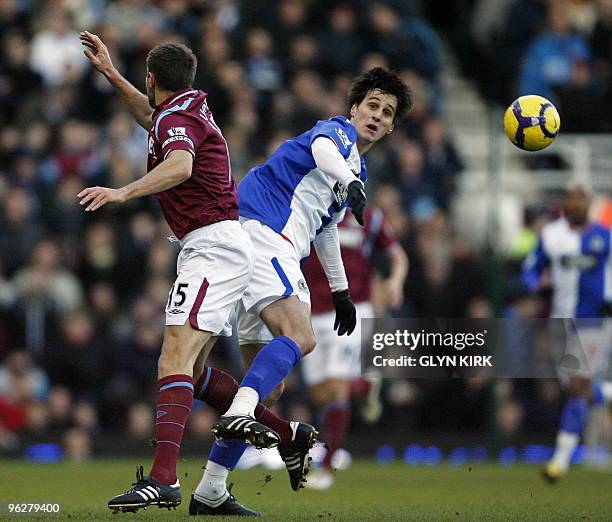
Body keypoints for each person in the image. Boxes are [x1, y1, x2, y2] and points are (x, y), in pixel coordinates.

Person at [206, 67, 412, 498]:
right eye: (371, 105)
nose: (377, 115)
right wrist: (350, 180)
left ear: (392, 126)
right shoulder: (335, 134)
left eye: (387, 112)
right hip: (264, 234)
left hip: (249, 244)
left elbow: (326, 229)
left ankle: (211, 489)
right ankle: (239, 410)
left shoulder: (353, 170)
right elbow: (321, 149)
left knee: (270, 386)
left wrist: (340, 292)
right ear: (353, 109)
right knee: (300, 336)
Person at [78, 32, 261, 514]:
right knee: (194, 370)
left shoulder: (177, 119)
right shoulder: (182, 110)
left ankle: (163, 480)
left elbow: (179, 166)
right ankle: (285, 434)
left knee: (172, 358)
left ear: (153, 77)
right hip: (218, 244)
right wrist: (112, 74)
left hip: (212, 247)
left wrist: (123, 191)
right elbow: (151, 117)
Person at [301, 206, 408, 489]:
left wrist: (395, 281)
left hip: (352, 311)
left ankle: (326, 466)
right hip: (311, 313)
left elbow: (397, 255)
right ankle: (364, 384)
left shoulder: (369, 218)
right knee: (320, 394)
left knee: (336, 387)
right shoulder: (308, 209)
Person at [522, 185, 612, 483]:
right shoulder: (552, 236)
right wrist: (534, 281)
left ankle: (559, 462)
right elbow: (531, 268)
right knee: (579, 392)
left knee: (577, 386)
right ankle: (607, 393)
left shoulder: (604, 237)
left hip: (593, 324)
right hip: (560, 323)